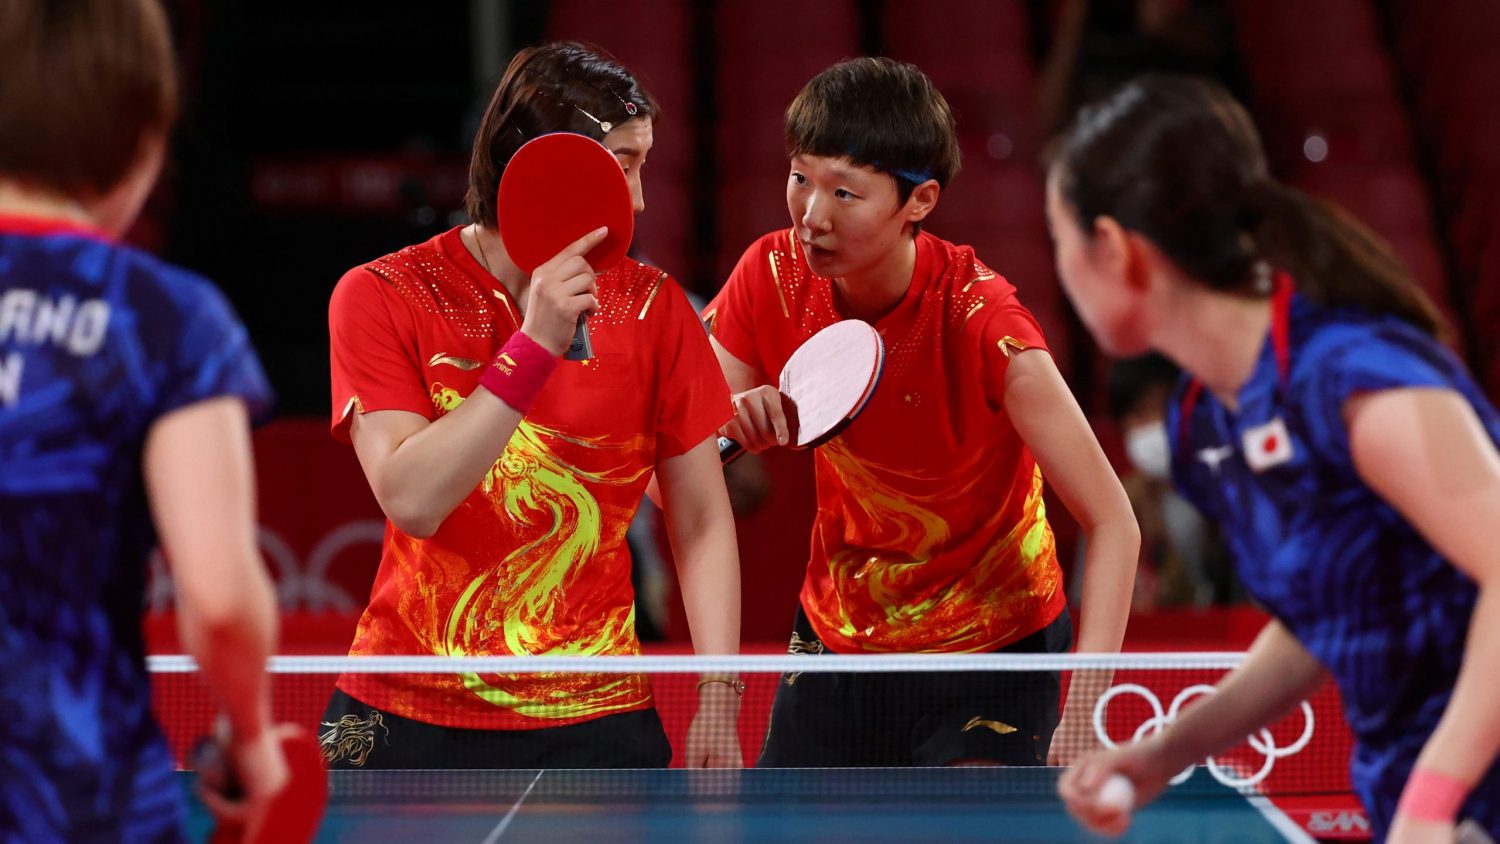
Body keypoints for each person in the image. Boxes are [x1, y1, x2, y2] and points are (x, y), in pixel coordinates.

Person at [1050, 75, 1500, 842]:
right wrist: (1164, 754)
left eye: (1060, 240)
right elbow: (1319, 619)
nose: (1058, 266)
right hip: (1418, 798)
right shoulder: (1207, 425)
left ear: (1119, 251)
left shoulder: (1352, 378)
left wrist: (1437, 796)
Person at [704, 57, 1139, 768]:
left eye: (845, 192)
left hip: (994, 646)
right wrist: (726, 427)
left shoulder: (982, 321)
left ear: (920, 201)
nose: (812, 215)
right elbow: (677, 471)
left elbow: (1114, 520)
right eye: (799, 178)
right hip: (841, 631)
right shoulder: (770, 275)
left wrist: (1086, 710)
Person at [321, 41, 743, 770]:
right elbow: (413, 499)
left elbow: (701, 520)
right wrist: (534, 347)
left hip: (595, 717)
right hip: (404, 707)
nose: (639, 201)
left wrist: (719, 692)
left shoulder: (654, 308)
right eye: (623, 168)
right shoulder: (383, 294)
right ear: (546, 170)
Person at [0, 0, 285, 840]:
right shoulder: (163, 318)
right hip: (81, 800)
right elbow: (221, 600)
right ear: (145, 141)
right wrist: (253, 735)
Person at [1103, 354, 1230, 609]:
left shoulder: (1227, 496)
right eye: (1133, 416)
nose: (1141, 426)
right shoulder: (1109, 506)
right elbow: (1085, 604)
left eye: (1153, 410)